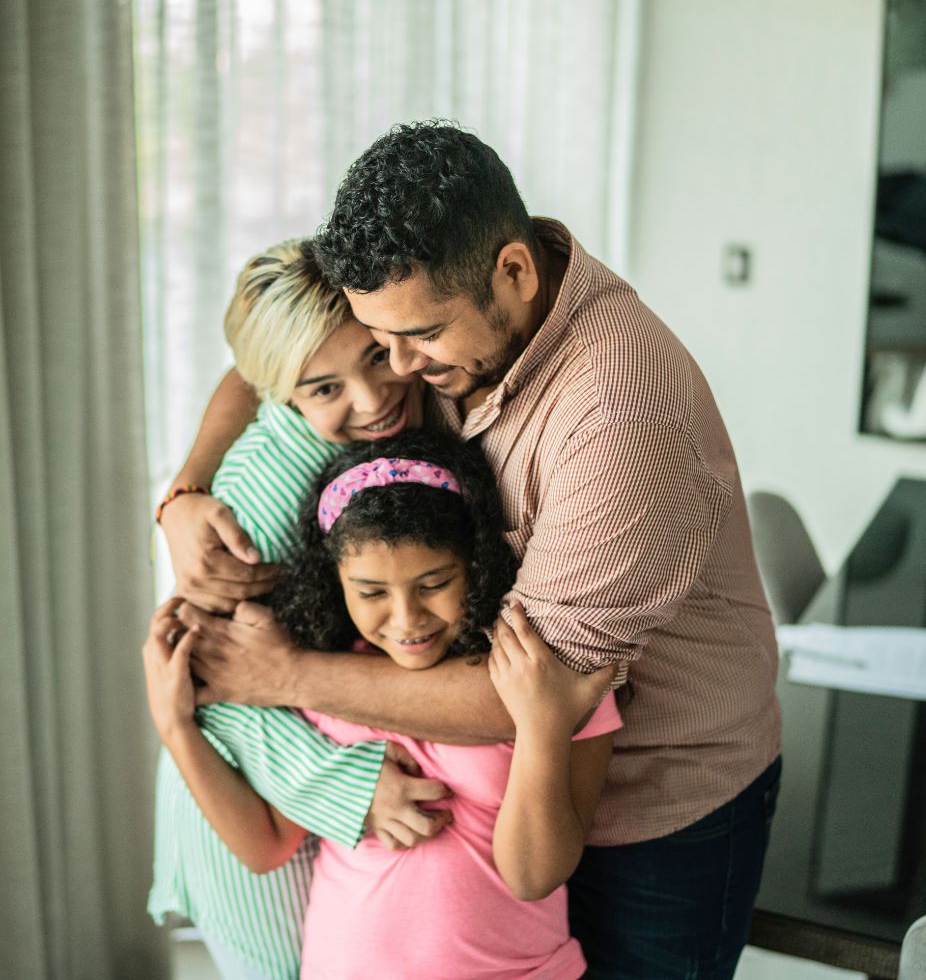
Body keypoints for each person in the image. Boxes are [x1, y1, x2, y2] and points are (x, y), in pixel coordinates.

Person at [165, 121, 782, 979]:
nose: (395, 369)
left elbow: (524, 700)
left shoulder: (621, 421)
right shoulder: (447, 289)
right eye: (379, 340)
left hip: (652, 806)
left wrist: (280, 676)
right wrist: (185, 490)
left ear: (516, 273)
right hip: (493, 802)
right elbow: (275, 351)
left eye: (416, 340)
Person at [145, 430, 620, 980]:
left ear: (476, 562)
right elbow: (266, 844)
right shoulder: (323, 677)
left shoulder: (536, 680)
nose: (406, 619)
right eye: (371, 592)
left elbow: (533, 877)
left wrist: (541, 725)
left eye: (435, 583)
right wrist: (175, 726)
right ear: (336, 583)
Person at [145, 238, 440, 980]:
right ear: (280, 389)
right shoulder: (271, 501)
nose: (371, 400)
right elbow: (213, 685)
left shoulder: (332, 436)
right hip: (241, 802)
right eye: (324, 388)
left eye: (375, 357)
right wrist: (347, 783)